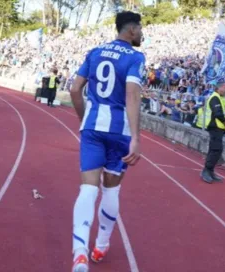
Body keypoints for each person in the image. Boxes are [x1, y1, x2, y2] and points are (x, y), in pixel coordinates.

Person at [69, 11, 144, 272]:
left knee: (87, 190)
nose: (142, 33)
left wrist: (85, 119)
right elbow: (132, 96)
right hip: (119, 132)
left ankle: (79, 253)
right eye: (141, 28)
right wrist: (136, 138)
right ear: (131, 30)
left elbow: (74, 89)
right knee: (111, 190)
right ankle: (100, 246)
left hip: (93, 128)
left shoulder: (94, 51)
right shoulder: (135, 57)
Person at [201, 79, 225, 183]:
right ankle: (206, 171)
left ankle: (210, 170)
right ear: (219, 88)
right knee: (216, 149)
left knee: (216, 149)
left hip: (220, 128)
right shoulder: (214, 98)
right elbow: (218, 114)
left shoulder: (222, 99)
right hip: (214, 127)